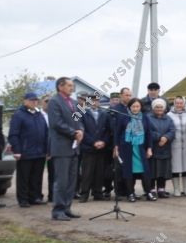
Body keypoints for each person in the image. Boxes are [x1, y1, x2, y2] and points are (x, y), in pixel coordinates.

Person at [47, 78, 85, 220]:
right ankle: (58, 210)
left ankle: (67, 208)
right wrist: (73, 133)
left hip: (74, 147)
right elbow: (56, 123)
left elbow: (79, 121)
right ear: (60, 86)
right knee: (61, 180)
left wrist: (80, 130)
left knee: (71, 181)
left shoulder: (74, 103)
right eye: (69, 85)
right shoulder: (54, 102)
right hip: (61, 147)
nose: (72, 88)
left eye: (72, 86)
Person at [9, 92, 49, 208]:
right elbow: (13, 134)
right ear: (25, 101)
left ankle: (35, 197)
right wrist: (17, 150)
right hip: (25, 152)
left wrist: (47, 150)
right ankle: (23, 199)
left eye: (36, 100)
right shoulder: (19, 115)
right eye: (31, 100)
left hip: (39, 152)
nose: (34, 102)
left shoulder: (39, 114)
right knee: (24, 177)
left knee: (37, 177)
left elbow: (46, 133)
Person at [114, 98, 154, 199]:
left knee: (145, 171)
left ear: (140, 107)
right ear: (129, 107)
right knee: (128, 171)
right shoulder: (123, 117)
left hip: (141, 148)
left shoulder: (144, 118)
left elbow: (149, 134)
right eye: (133, 106)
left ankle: (148, 192)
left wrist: (149, 148)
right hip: (127, 148)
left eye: (137, 106)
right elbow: (117, 133)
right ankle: (130, 193)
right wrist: (116, 147)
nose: (135, 108)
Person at [77, 93, 111, 202]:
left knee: (99, 172)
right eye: (92, 100)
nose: (94, 102)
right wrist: (93, 142)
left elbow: (108, 131)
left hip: (101, 148)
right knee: (87, 172)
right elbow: (82, 131)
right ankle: (84, 193)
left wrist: (104, 142)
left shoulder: (105, 114)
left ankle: (98, 193)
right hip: (88, 148)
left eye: (96, 100)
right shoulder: (82, 114)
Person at [107, 87, 134, 200]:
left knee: (128, 168)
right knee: (118, 169)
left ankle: (128, 191)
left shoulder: (131, 108)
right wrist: (115, 146)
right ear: (121, 95)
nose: (128, 97)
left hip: (131, 143)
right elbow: (114, 129)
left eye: (129, 95)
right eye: (126, 95)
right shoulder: (115, 109)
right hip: (119, 142)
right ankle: (118, 192)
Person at [146, 98, 175, 198]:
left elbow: (172, 130)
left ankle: (161, 189)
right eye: (157, 107)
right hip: (153, 147)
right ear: (153, 108)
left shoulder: (168, 118)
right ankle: (152, 189)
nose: (159, 109)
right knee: (153, 170)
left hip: (165, 148)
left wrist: (166, 137)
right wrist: (159, 137)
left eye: (161, 107)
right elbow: (148, 131)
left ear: (164, 108)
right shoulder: (148, 118)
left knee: (163, 170)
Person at [168, 96, 186, 196]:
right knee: (175, 168)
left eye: (180, 103)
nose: (179, 105)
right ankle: (176, 189)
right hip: (175, 144)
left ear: (184, 103)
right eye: (177, 103)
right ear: (174, 104)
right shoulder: (169, 115)